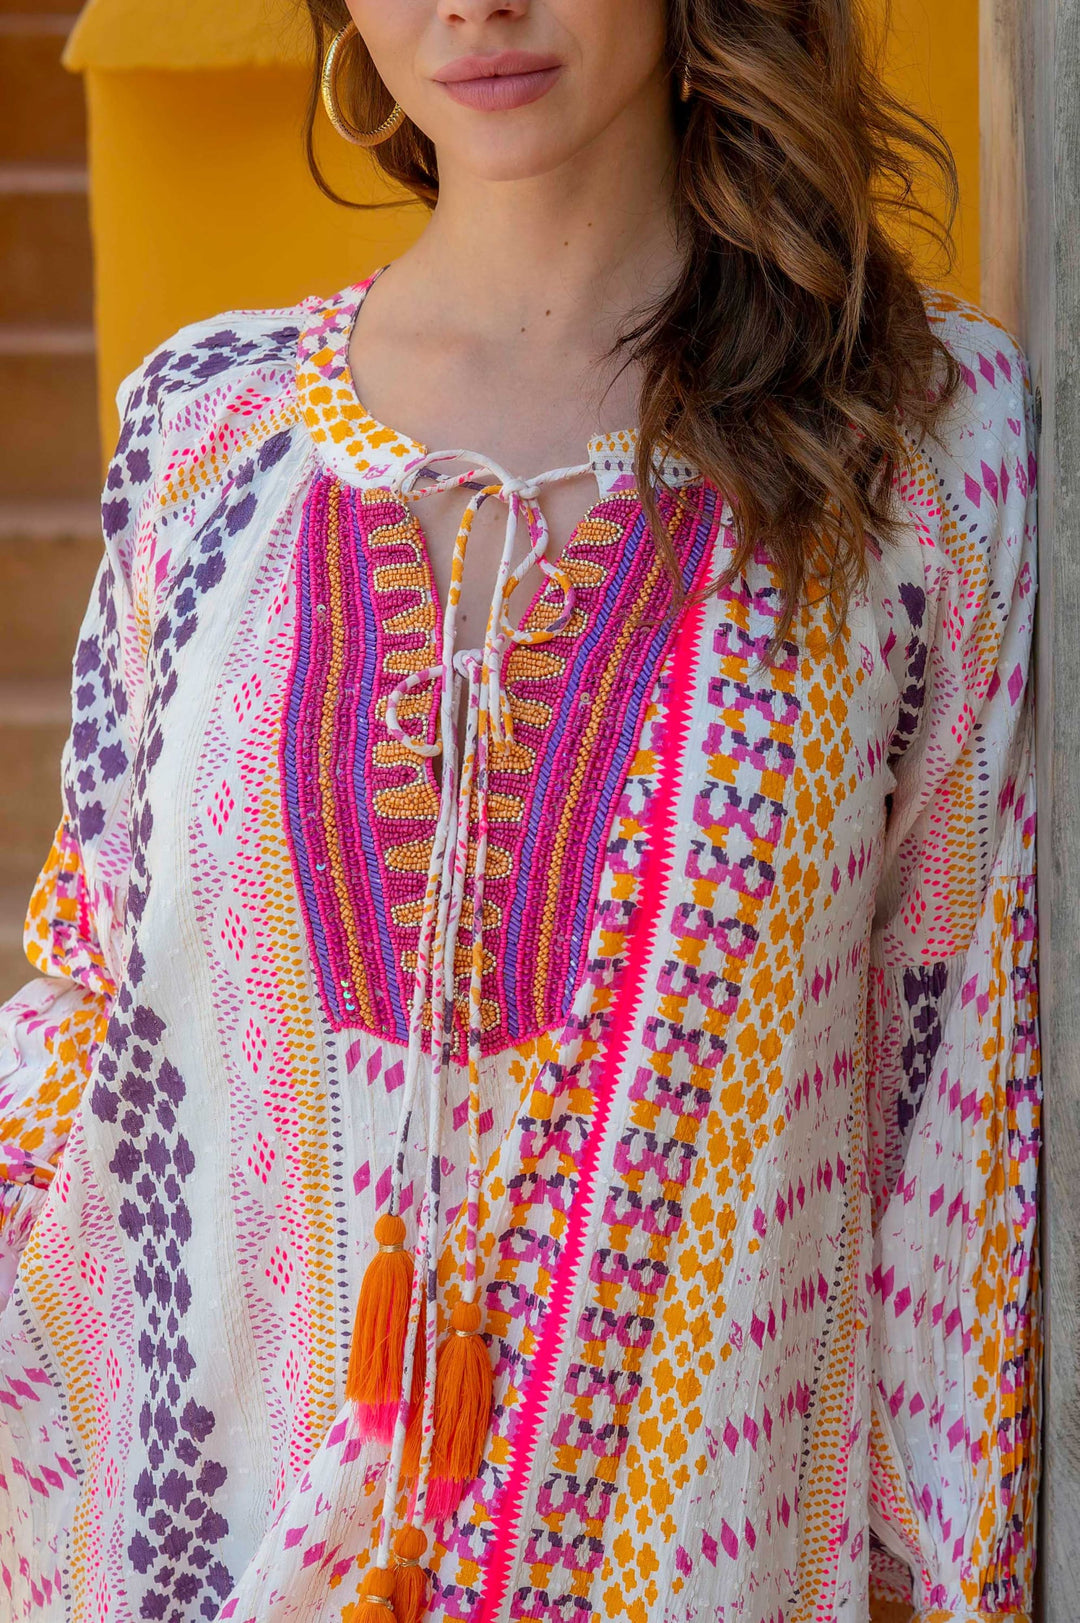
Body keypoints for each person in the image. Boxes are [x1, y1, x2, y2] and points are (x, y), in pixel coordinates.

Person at [0, 1, 1040, 1619]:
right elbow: (90, 996)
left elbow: (966, 1070)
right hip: (210, 1568)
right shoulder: (206, 431)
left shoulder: (924, 444)